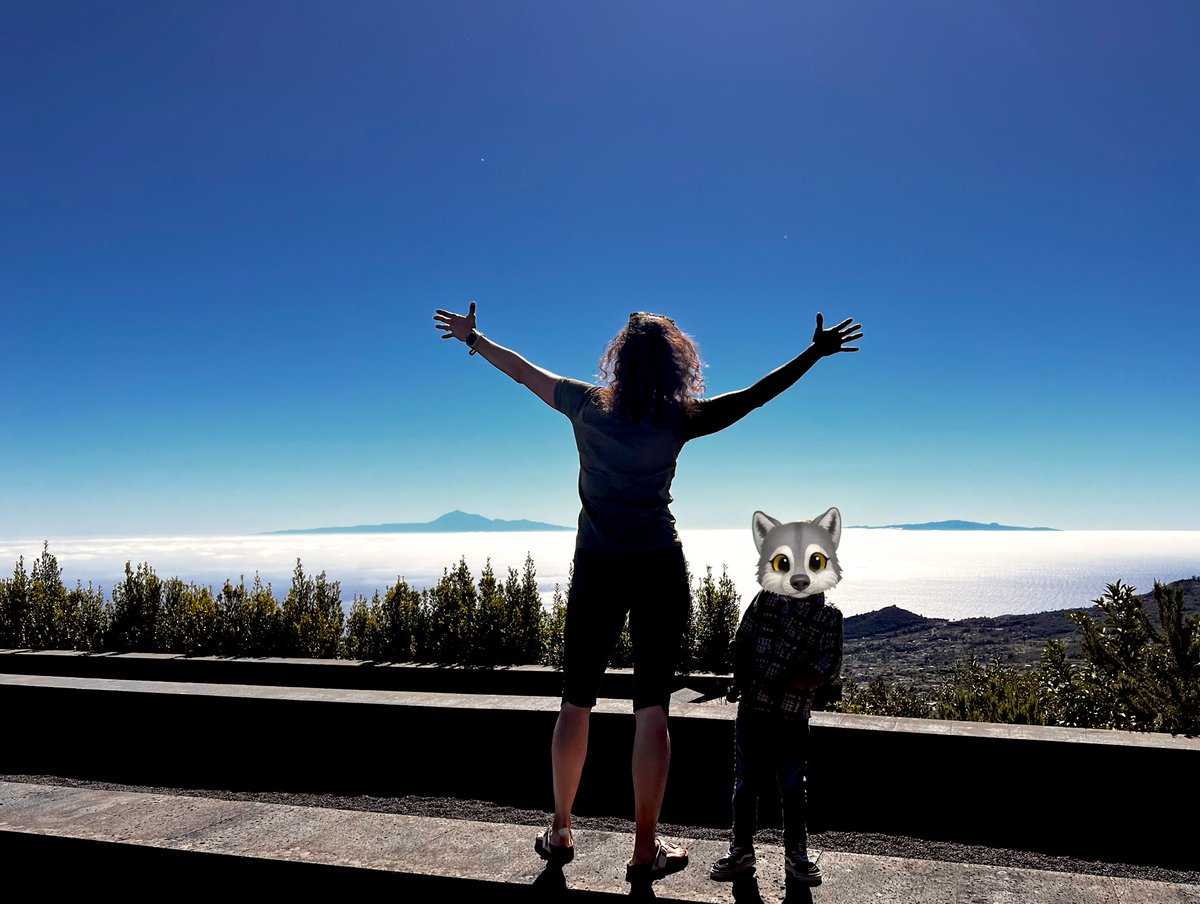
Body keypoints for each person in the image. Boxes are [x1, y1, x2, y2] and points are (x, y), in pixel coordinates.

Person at [432, 301, 862, 884]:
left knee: (575, 702)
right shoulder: (677, 418)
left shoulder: (585, 405)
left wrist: (473, 338)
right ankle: (643, 851)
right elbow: (754, 396)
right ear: (675, 365)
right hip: (659, 567)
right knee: (652, 710)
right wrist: (813, 353)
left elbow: (522, 370)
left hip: (597, 568)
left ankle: (559, 831)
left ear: (618, 359)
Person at [709, 509, 845, 888]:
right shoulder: (766, 599)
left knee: (790, 786)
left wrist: (773, 681)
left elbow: (825, 670)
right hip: (753, 710)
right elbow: (742, 641)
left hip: (789, 717)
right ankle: (743, 852)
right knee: (746, 783)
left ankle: (795, 856)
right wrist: (742, 678)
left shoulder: (828, 617)